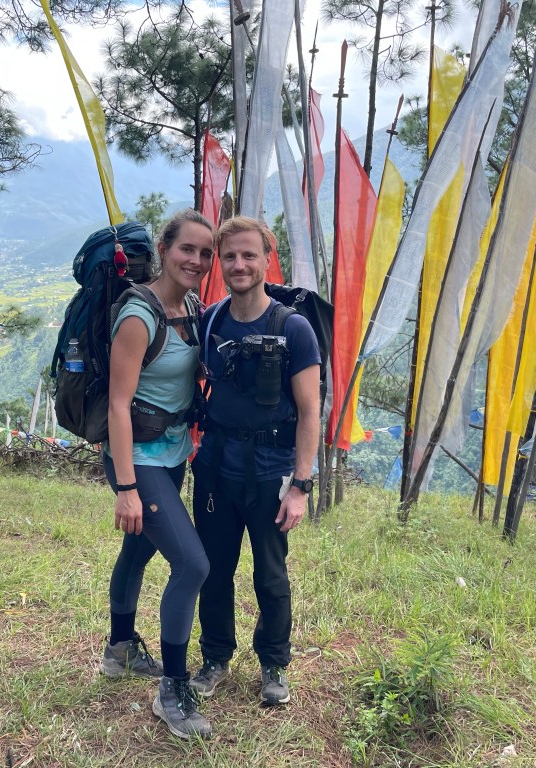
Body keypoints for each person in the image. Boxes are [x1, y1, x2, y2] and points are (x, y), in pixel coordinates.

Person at [189, 216, 320, 706]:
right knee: (213, 568)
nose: (239, 265)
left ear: (267, 258)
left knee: (270, 573)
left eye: (249, 255)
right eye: (230, 256)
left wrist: (300, 485)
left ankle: (273, 664)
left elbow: (310, 410)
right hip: (215, 466)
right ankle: (215, 657)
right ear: (219, 263)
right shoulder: (211, 321)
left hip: (269, 469)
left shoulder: (293, 328)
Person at [99, 209, 215, 739]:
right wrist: (126, 488)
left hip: (172, 454)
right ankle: (173, 689)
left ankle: (119, 650)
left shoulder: (190, 308)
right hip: (138, 460)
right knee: (192, 564)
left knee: (140, 549)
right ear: (165, 249)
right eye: (187, 249)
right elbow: (117, 405)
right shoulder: (138, 315)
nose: (196, 260)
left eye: (205, 253)